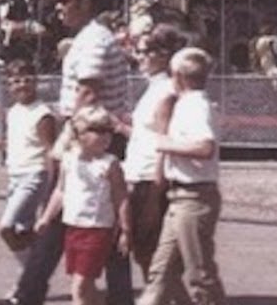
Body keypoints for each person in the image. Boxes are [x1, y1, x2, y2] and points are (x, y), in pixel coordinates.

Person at [0, 0, 134, 305]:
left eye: (64, 1)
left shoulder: (94, 41)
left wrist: (68, 140)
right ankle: (34, 291)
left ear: (85, 3)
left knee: (84, 215)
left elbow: (88, 92)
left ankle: (31, 293)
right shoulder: (86, 39)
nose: (57, 8)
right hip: (86, 135)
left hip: (93, 139)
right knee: (66, 218)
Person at [139, 47, 227, 305]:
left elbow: (204, 147)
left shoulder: (196, 106)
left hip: (194, 197)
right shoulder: (186, 105)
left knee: (200, 274)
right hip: (179, 197)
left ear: (178, 75)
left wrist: (163, 142)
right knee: (161, 271)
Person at [34, 105, 131, 305]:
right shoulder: (69, 161)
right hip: (74, 229)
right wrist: (46, 217)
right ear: (79, 135)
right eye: (96, 130)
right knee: (86, 287)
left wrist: (125, 230)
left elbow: (121, 197)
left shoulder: (110, 164)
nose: (104, 136)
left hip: (98, 230)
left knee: (79, 286)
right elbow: (60, 191)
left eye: (107, 130)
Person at [120, 25, 184, 277]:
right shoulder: (153, 87)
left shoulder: (167, 90)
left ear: (164, 54)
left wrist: (157, 188)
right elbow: (144, 134)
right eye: (137, 50)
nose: (139, 56)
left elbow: (164, 141)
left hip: (150, 177)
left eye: (145, 51)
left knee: (150, 249)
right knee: (145, 249)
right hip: (136, 172)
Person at [0, 60, 57, 262]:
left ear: (36, 82)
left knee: (6, 226)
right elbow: (19, 144)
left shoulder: (42, 114)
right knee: (23, 231)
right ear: (9, 85)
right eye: (15, 81)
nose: (21, 85)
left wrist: (52, 190)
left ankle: (30, 278)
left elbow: (52, 151)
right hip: (15, 175)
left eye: (27, 80)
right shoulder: (14, 111)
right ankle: (34, 277)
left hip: (35, 175)